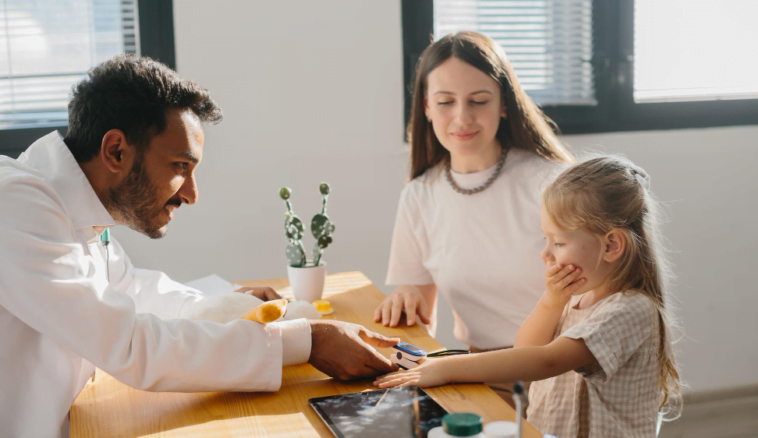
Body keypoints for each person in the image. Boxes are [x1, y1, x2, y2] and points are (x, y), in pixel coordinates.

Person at [0, 54, 398, 438]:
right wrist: (308, 340)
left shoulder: (69, 208)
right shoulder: (15, 203)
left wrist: (233, 301)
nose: (191, 194)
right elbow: (132, 345)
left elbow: (131, 289)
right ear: (116, 151)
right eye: (180, 167)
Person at [374, 156, 683, 437]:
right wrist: (551, 302)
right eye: (545, 239)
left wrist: (446, 367)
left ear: (611, 245)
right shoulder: (577, 297)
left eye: (559, 243)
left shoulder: (631, 310)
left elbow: (546, 361)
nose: (545, 253)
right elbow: (527, 348)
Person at [374, 31, 572, 403]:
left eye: (478, 100)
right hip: (479, 376)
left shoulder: (553, 184)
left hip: (562, 374)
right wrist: (406, 296)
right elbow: (423, 325)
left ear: (503, 104)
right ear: (427, 107)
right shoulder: (420, 195)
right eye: (446, 101)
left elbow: (602, 308)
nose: (462, 118)